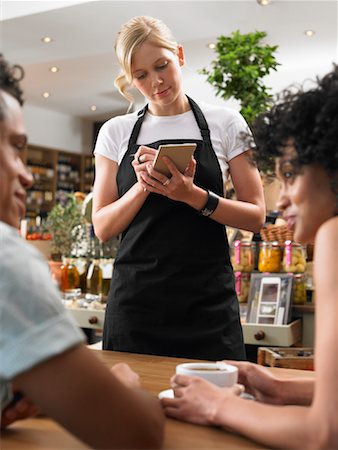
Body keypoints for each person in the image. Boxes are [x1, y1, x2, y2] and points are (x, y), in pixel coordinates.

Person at [161, 66, 338, 449]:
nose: (283, 199)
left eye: (290, 175)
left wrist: (218, 406)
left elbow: (324, 434)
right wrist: (278, 387)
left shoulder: (333, 238)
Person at [0, 54, 164, 448]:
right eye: (14, 148)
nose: (26, 174)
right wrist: (118, 385)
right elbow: (136, 434)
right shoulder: (8, 260)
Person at [92, 16, 265, 360]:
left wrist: (192, 195)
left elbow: (256, 216)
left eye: (162, 65)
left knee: (218, 409)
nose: (156, 81)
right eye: (141, 75)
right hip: (136, 307)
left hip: (208, 305)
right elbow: (103, 227)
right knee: (136, 412)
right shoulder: (115, 132)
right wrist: (143, 186)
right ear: (130, 79)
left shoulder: (227, 123)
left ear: (180, 56)